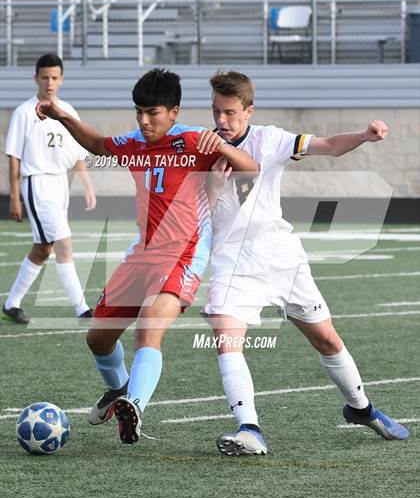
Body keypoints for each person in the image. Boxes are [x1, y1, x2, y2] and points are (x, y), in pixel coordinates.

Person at [36, 68, 258, 445]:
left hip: (182, 257)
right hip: (141, 257)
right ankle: (119, 388)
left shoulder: (191, 141)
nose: (143, 120)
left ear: (173, 111)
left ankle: (134, 405)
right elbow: (99, 144)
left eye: (152, 113)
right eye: (138, 111)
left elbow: (250, 168)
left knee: (148, 332)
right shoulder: (136, 141)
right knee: (98, 340)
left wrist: (219, 146)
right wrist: (64, 117)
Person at [202, 70, 409, 456]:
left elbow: (329, 145)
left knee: (327, 339)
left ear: (249, 111)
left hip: (280, 255)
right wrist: (212, 188)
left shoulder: (271, 139)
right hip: (231, 261)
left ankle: (361, 409)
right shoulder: (202, 149)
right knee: (226, 340)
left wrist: (364, 137)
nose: (221, 121)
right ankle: (249, 429)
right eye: (216, 111)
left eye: (230, 112)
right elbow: (198, 214)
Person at [3, 53, 96, 324]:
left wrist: (87, 186)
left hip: (60, 184)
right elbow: (14, 157)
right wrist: (14, 196)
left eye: (55, 77)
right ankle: (82, 308)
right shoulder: (24, 112)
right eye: (45, 77)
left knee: (43, 249)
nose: (50, 82)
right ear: (36, 79)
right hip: (37, 183)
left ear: (61, 80)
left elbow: (79, 153)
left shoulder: (67, 111)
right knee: (63, 244)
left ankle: (11, 304)